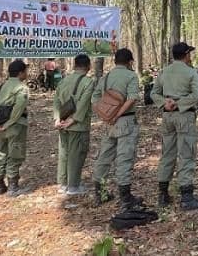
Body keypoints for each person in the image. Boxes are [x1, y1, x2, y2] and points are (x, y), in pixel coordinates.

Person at [151, 42, 198, 210]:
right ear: (186, 54)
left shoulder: (164, 72)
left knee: (167, 153)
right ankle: (187, 197)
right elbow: (197, 95)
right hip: (184, 115)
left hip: (167, 117)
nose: (191, 56)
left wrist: (164, 103)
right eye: (190, 53)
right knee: (186, 153)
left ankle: (163, 194)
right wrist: (180, 104)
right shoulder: (191, 73)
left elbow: (153, 93)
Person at [92, 48, 143, 210]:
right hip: (125, 122)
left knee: (104, 156)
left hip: (109, 124)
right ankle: (125, 198)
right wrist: (117, 114)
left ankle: (100, 193)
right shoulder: (130, 76)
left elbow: (94, 99)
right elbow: (132, 98)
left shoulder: (106, 77)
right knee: (124, 158)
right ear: (129, 62)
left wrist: (105, 115)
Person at [53, 54, 95, 195]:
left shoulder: (63, 81)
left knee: (64, 153)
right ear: (88, 66)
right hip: (78, 125)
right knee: (76, 154)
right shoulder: (88, 82)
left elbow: (57, 101)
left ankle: (63, 184)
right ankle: (73, 186)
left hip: (63, 122)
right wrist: (74, 119)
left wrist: (57, 119)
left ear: (75, 65)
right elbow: (83, 103)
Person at [0, 59, 30, 197]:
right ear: (20, 73)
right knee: (15, 154)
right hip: (15, 126)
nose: (26, 73)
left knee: (0, 153)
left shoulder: (0, 86)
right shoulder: (21, 88)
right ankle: (13, 187)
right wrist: (8, 124)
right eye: (25, 71)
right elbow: (18, 109)